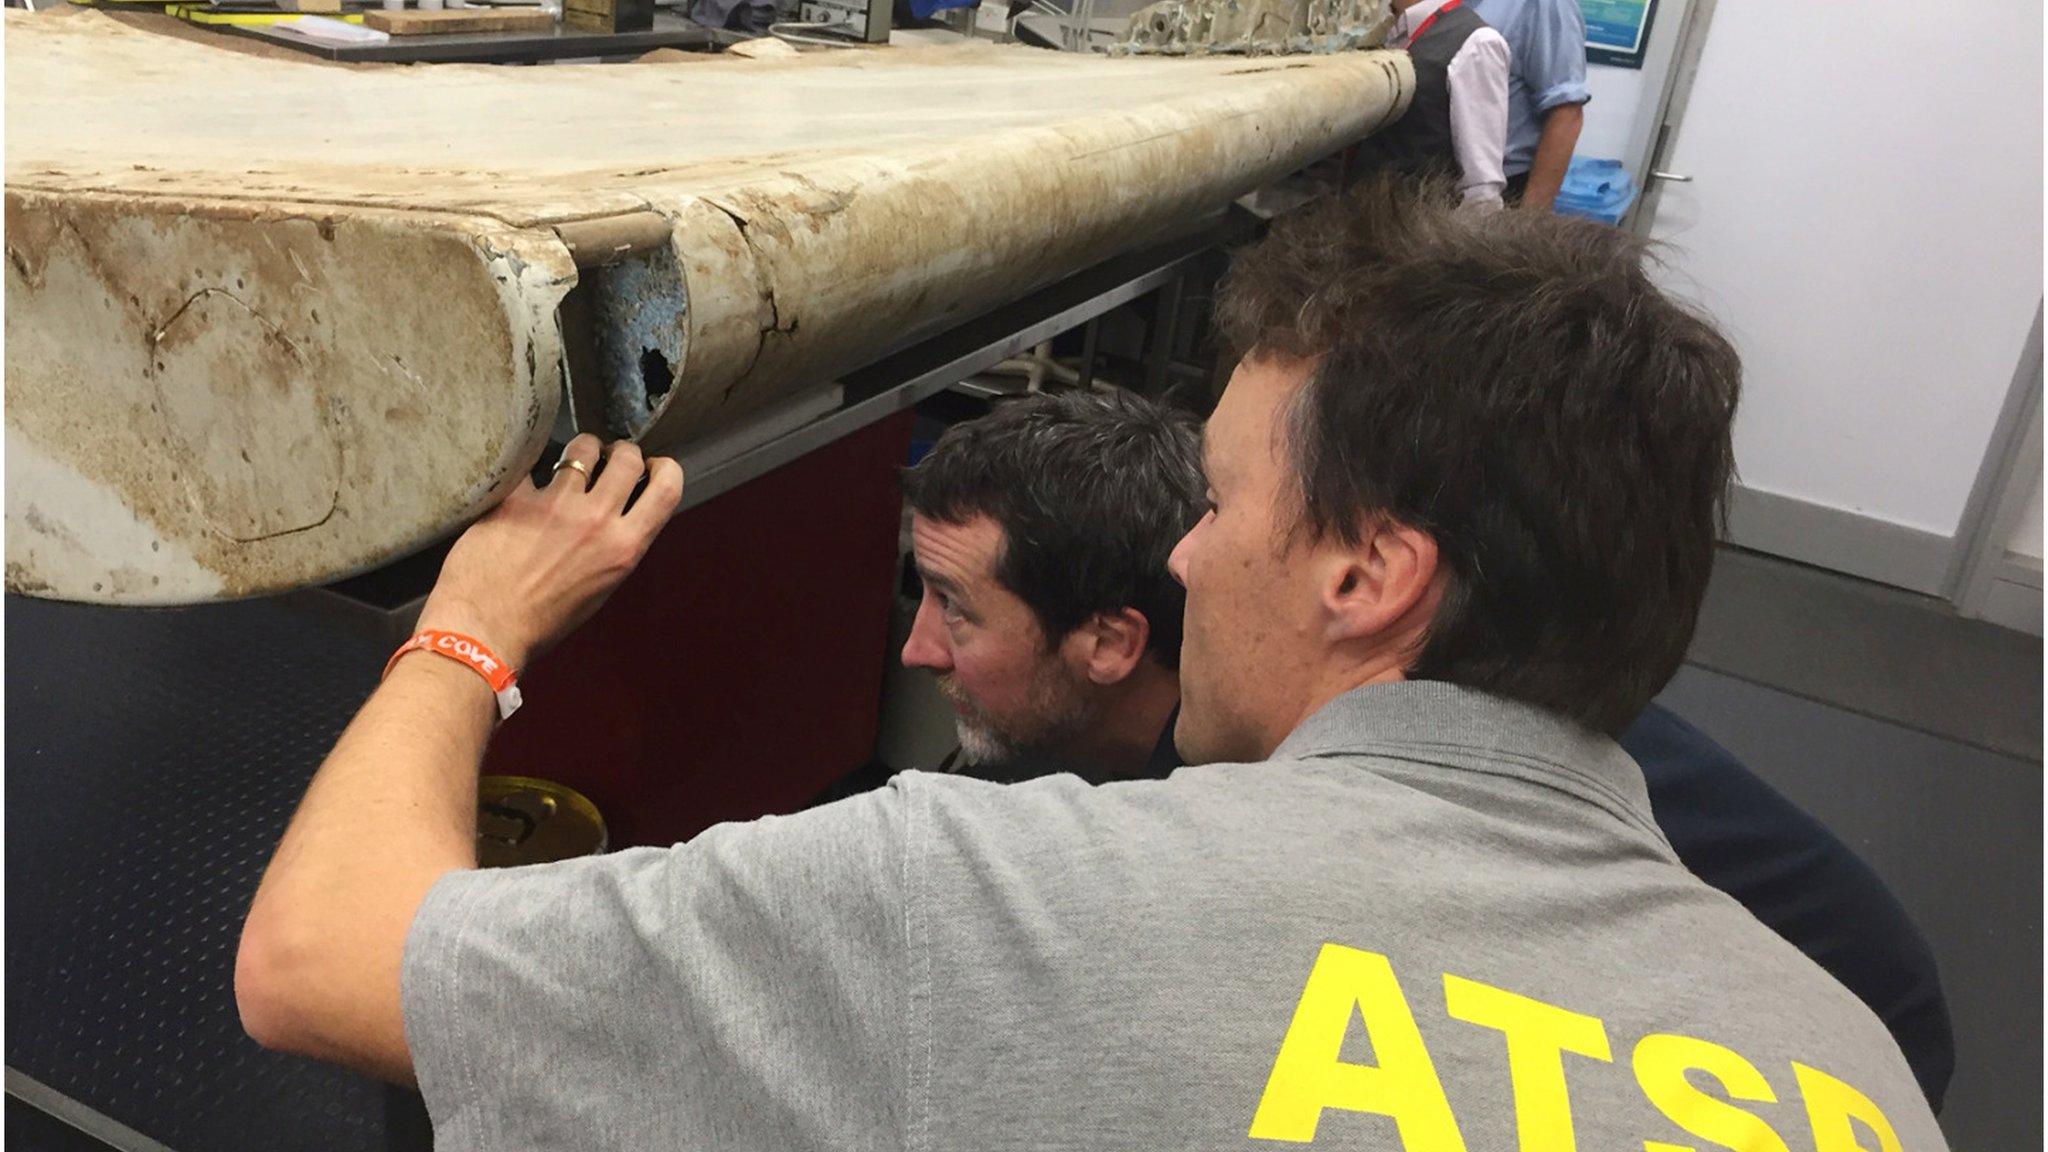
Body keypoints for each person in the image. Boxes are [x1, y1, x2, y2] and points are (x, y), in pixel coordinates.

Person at [236, 182, 1949, 1151]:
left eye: (1219, 503)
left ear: (1368, 574)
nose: (1187, 555)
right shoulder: (1852, 1067)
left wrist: (474, 620)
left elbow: (316, 961)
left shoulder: (996, 904)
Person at [879, 387, 1957, 1108]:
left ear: (1112, 645)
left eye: (953, 610)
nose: (918, 646)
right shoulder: (1169, 743)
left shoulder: (1376, 777)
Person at [1351, 0, 1511, 208]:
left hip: (1423, 230)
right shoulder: (1386, 31)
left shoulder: (1477, 43)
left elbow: (1481, 191)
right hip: (1362, 220)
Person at [1471, 0, 1590, 210]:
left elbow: (1566, 112)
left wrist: (1528, 220)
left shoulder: (1546, 5)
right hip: (1432, 180)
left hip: (1501, 190)